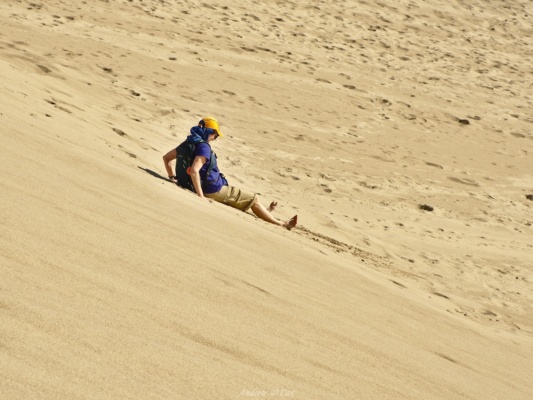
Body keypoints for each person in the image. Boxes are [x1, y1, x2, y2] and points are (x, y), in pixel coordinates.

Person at [163, 117, 298, 230]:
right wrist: (200, 196)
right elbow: (194, 171)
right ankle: (282, 224)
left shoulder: (189, 142)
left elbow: (166, 158)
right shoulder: (203, 147)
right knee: (253, 199)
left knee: (238, 199)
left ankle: (267, 212)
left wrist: (172, 177)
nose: (215, 138)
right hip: (212, 188)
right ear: (209, 132)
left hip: (199, 185)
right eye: (215, 134)